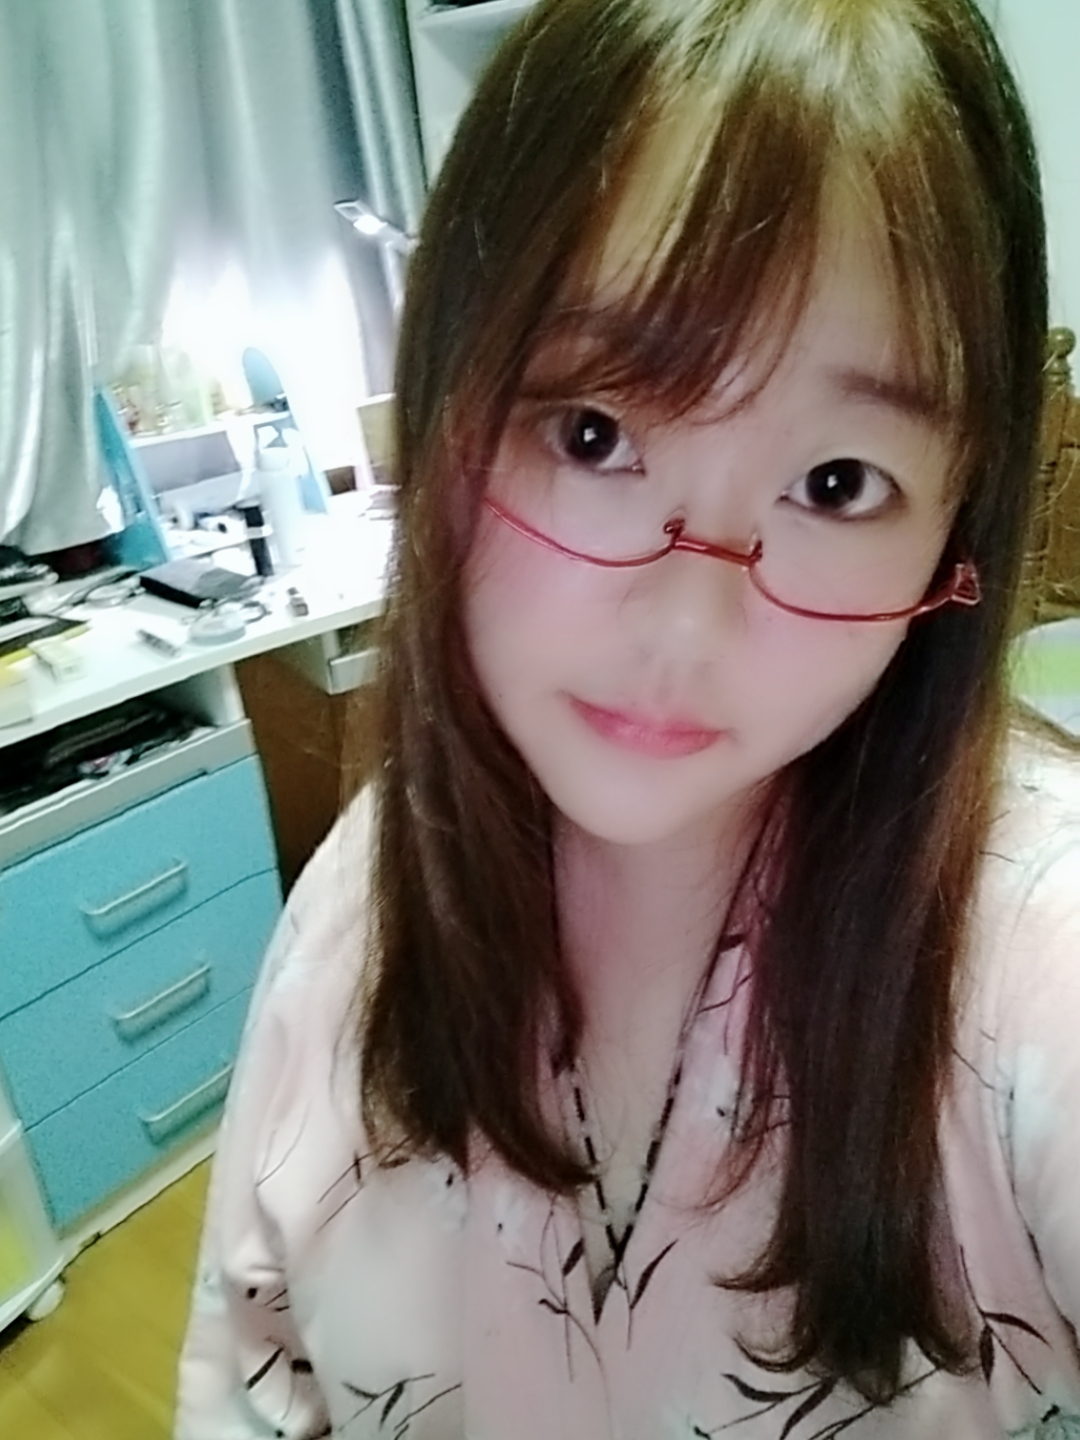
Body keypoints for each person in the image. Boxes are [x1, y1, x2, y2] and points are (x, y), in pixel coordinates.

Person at [175, 0, 1080, 1435]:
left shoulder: (1034, 955)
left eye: (836, 484)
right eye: (593, 435)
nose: (683, 629)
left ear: (955, 530)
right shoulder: (368, 886)